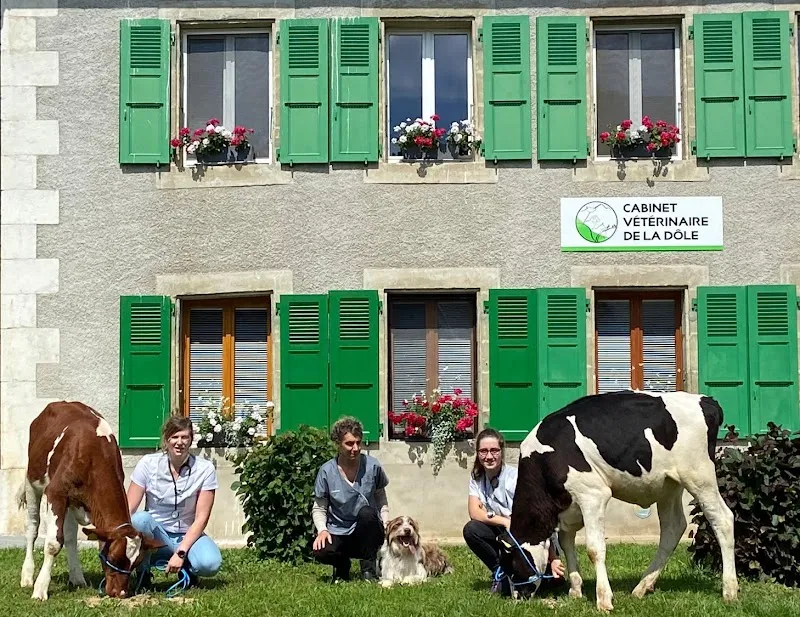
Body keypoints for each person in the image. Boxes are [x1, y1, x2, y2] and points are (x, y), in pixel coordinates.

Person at [462, 428, 565, 595]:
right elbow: (474, 512)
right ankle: (502, 573)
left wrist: (553, 558)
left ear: (501, 452)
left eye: (494, 450)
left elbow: (540, 519)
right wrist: (504, 521)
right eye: (484, 451)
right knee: (472, 529)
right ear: (477, 453)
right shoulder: (477, 479)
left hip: (529, 536)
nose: (489, 456)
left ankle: (540, 571)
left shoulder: (515, 478)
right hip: (507, 530)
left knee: (550, 583)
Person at [127, 416, 222, 589]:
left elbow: (201, 517)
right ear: (166, 440)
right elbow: (128, 508)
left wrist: (181, 551)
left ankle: (188, 569)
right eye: (175, 437)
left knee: (210, 564)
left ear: (191, 440)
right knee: (139, 520)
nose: (180, 442)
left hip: (188, 534)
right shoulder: (148, 464)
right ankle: (143, 572)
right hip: (156, 536)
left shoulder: (205, 469)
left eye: (185, 437)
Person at [312, 416, 389, 583]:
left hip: (366, 529)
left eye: (358, 443)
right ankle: (341, 567)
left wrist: (385, 523)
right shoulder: (326, 471)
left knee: (367, 513)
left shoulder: (373, 466)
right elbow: (319, 507)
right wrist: (322, 530)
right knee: (320, 550)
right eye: (349, 444)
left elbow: (380, 497)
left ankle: (368, 570)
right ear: (338, 444)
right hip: (338, 529)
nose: (355, 448)